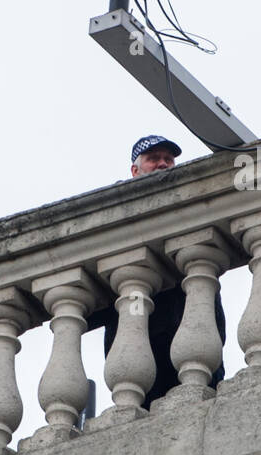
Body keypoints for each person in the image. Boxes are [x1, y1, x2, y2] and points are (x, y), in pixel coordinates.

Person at [91, 135, 226, 408]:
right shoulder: (114, 215)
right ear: (134, 170)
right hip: (140, 338)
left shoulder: (193, 207)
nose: (163, 164)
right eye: (154, 159)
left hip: (191, 336)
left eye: (168, 159)